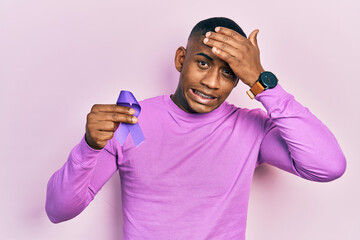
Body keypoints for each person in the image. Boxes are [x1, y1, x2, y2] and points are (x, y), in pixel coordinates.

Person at [45, 17, 346, 239]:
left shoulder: (251, 128)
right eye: (202, 63)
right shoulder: (131, 121)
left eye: (228, 72)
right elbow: (59, 211)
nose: (212, 82)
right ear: (181, 59)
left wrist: (262, 80)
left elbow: (329, 166)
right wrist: (89, 146)